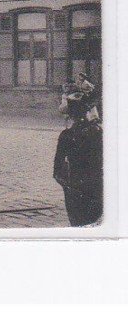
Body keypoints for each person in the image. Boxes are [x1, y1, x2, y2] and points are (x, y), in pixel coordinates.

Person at [54, 93, 103, 226]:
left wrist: (67, 186)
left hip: (75, 187)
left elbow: (57, 171)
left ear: (70, 115)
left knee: (78, 224)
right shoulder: (98, 133)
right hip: (96, 187)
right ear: (87, 112)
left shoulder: (66, 135)